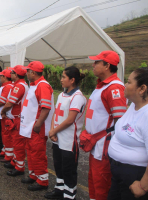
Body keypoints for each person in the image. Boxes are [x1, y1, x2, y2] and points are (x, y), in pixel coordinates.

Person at [83, 50, 127, 200]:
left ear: (107, 65)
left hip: (104, 147)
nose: (93, 65)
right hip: (95, 143)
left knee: (102, 184)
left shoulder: (114, 88)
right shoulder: (101, 86)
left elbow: (120, 120)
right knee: (94, 181)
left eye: (96, 62)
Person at [107, 67, 148, 200]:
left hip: (135, 177)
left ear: (142, 89)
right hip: (120, 174)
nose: (125, 85)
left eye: (129, 82)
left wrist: (143, 185)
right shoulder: (133, 105)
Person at [45, 66, 87, 200]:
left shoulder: (78, 97)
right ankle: (59, 189)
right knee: (58, 165)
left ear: (72, 80)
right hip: (57, 137)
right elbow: (55, 114)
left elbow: (70, 120)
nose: (61, 79)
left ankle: (69, 194)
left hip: (69, 140)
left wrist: (53, 131)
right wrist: (52, 131)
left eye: (64, 77)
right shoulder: (63, 95)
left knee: (69, 169)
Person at [20, 61, 55, 191]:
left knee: (38, 152)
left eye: (28, 71)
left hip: (37, 127)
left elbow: (46, 108)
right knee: (31, 151)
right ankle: (34, 175)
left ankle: (42, 180)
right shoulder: (34, 85)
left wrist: (38, 124)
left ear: (33, 72)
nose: (26, 73)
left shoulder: (42, 86)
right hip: (30, 126)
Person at [0, 65, 28, 176]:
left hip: (17, 118)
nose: (10, 74)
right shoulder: (19, 85)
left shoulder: (19, 86)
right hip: (15, 118)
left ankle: (19, 167)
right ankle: (15, 162)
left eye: (12, 72)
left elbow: (10, 103)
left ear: (16, 75)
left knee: (18, 144)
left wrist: (3, 111)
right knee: (15, 143)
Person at [0, 69, 14, 162]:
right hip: (1, 113)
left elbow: (2, 101)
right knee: (3, 134)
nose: (0, 77)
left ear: (5, 77)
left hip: (3, 114)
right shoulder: (5, 86)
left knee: (6, 134)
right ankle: (5, 150)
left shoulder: (8, 86)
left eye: (2, 76)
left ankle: (8, 154)